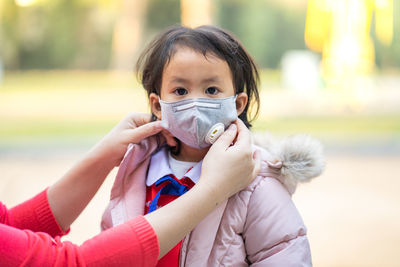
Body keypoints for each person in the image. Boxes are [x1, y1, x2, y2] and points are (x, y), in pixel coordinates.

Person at [102, 25, 323, 266]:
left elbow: (282, 254)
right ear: (157, 105)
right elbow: (110, 246)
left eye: (211, 90)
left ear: (238, 104)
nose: (195, 103)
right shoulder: (137, 173)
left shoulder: (256, 180)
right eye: (180, 90)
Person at [0, 112, 261, 267]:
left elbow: (9, 225)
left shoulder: (262, 180)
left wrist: (104, 156)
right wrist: (212, 191)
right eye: (180, 91)